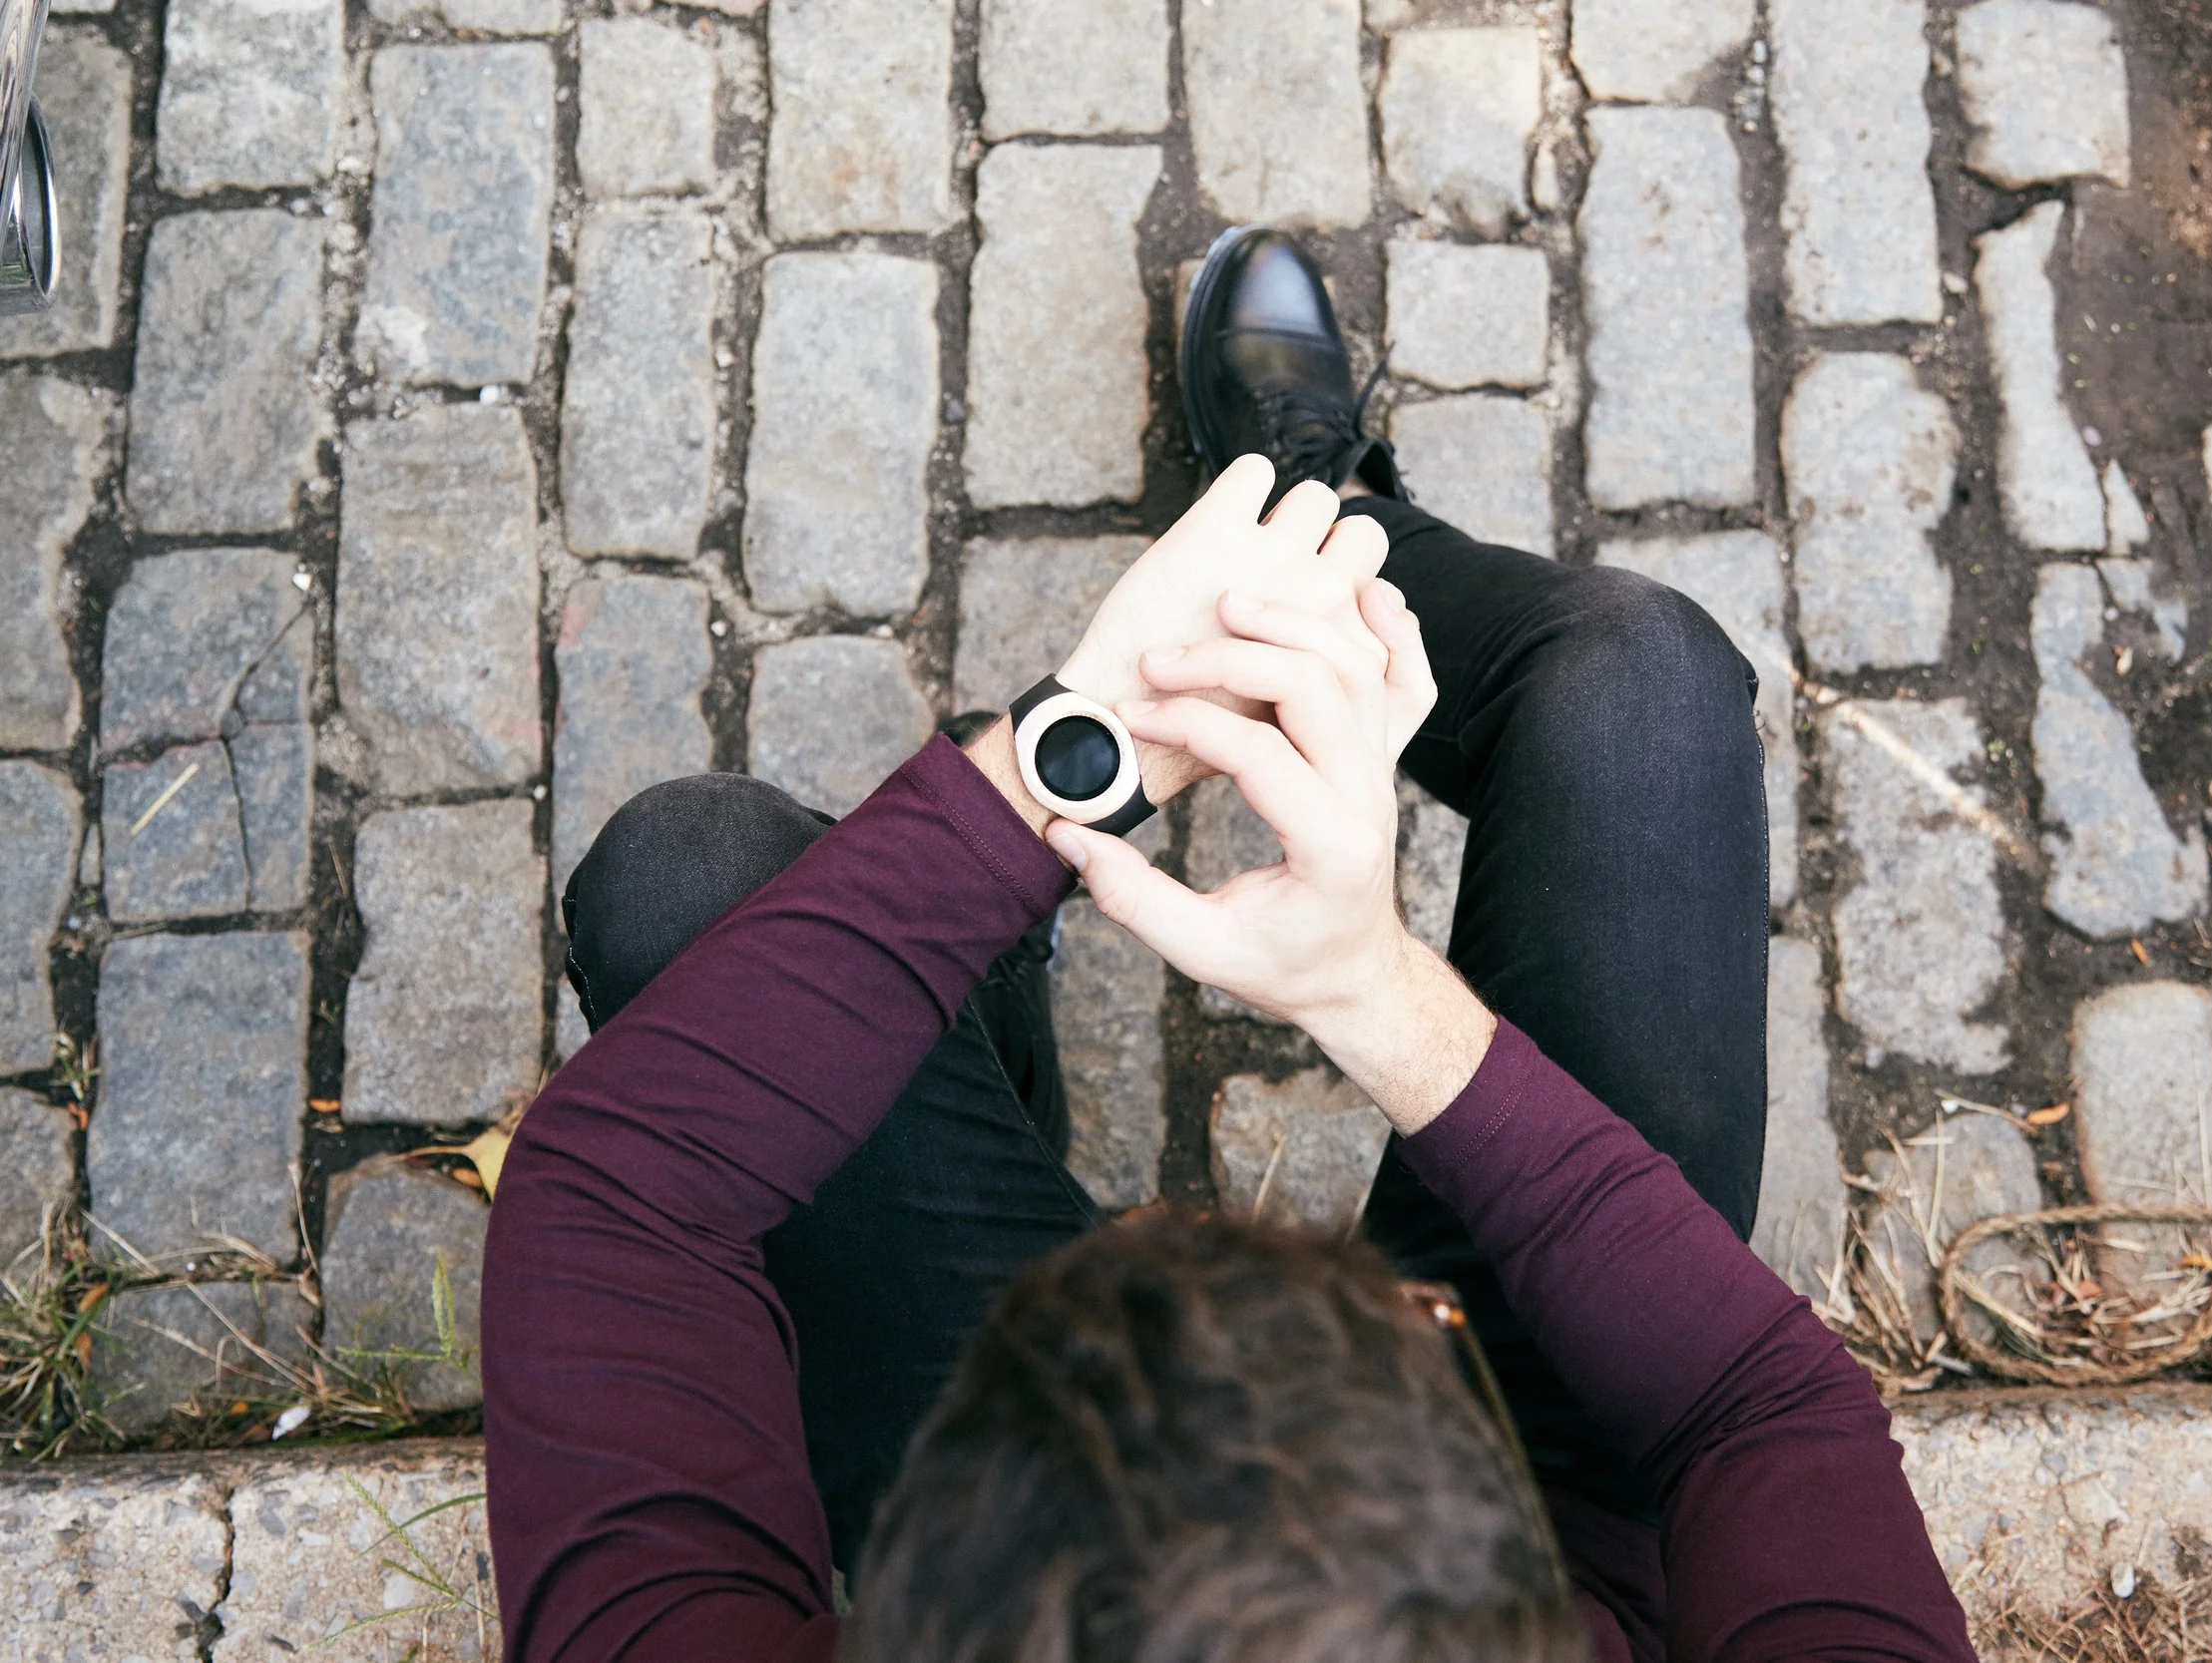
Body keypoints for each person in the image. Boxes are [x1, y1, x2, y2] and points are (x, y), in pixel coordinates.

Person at [482, 227, 1978, 1663]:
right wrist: (1372, 989)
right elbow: (1764, 1404)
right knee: (1639, 678)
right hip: (1536, 1500)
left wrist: (1069, 757)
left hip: (1042, 1499)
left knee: (691, 886)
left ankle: (999, 944)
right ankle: (1308, 538)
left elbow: (615, 1184)